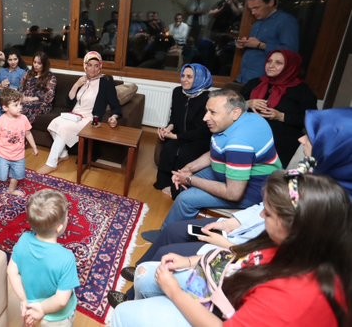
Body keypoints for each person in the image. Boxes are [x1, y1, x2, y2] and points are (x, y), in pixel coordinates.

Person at [108, 108, 352, 306]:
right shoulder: (309, 172)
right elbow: (265, 209)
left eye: (310, 137)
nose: (301, 139)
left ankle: (132, 299)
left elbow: (278, 255)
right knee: (174, 230)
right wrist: (233, 222)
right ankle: (140, 269)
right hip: (244, 230)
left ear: (334, 149)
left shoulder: (329, 204)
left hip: (244, 250)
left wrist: (230, 245)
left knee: (168, 251)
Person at [109, 171, 352, 327]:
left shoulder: (292, 297)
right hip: (220, 292)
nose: (261, 216)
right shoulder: (291, 246)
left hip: (219, 313)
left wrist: (174, 293)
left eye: (268, 213)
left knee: (123, 314)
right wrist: (191, 261)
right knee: (144, 274)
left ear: (295, 227)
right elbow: (240, 256)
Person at [161, 89, 281, 228]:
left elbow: (233, 194)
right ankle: (181, 228)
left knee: (185, 199)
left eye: (213, 112)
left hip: (252, 191)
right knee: (185, 181)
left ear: (235, 113)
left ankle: (168, 234)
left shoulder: (239, 143)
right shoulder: (249, 118)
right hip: (229, 173)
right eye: (207, 111)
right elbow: (217, 151)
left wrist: (189, 179)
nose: (205, 118)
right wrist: (188, 169)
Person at [38, 51, 121, 175]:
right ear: (85, 66)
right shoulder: (82, 80)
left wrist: (114, 117)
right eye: (90, 65)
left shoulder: (106, 82)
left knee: (64, 128)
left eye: (96, 65)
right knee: (53, 124)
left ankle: (51, 164)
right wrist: (76, 85)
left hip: (88, 119)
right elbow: (69, 101)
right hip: (73, 115)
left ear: (100, 67)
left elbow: (116, 105)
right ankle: (64, 154)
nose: (93, 69)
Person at [7, 189, 80, 326]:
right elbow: (61, 300)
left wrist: (24, 299)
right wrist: (41, 309)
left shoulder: (23, 240)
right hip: (56, 319)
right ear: (59, 228)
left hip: (30, 308)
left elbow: (11, 271)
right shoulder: (66, 258)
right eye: (66, 217)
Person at [241, 50, 317, 164]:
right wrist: (248, 103)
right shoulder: (255, 83)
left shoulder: (302, 91)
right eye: (269, 61)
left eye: (278, 63)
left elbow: (310, 120)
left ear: (290, 67)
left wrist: (281, 116)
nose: (271, 66)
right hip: (246, 137)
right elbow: (230, 107)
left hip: (279, 145)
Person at [154, 64, 213, 198]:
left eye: (189, 77)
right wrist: (168, 128)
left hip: (199, 139)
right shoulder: (177, 92)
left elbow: (203, 131)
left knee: (184, 153)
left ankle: (177, 189)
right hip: (178, 134)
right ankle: (163, 183)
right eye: (182, 75)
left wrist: (176, 136)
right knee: (168, 149)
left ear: (199, 79)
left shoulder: (208, 98)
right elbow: (174, 117)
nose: (184, 79)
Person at [236, 0, 299, 83]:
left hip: (264, 81)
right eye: (251, 9)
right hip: (245, 77)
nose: (253, 12)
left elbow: (290, 52)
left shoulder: (286, 21)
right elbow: (255, 45)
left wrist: (260, 45)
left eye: (256, 8)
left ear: (270, 3)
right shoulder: (257, 23)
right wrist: (245, 43)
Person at [0, 89, 38, 197]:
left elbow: (28, 134)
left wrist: (34, 147)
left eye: (20, 104)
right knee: (2, 176)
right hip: (3, 155)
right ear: (5, 107)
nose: (20, 107)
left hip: (19, 155)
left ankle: (11, 190)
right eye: (16, 105)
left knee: (17, 175)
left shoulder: (23, 118)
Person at [20, 51, 57, 124]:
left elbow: (49, 96)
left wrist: (32, 99)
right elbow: (21, 87)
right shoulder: (28, 73)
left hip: (41, 103)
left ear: (44, 64)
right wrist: (22, 97)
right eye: (34, 62)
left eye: (39, 63)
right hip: (25, 99)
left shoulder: (50, 77)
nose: (36, 65)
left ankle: (23, 128)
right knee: (12, 106)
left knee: (25, 108)